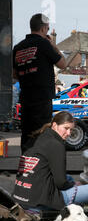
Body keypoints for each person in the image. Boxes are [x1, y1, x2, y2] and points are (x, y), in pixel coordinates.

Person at [12, 111, 88, 220]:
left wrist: (71, 182)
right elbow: (60, 183)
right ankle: (81, 205)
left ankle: (80, 201)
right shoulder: (56, 145)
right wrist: (73, 185)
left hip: (21, 197)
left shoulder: (40, 137)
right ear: (55, 125)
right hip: (39, 202)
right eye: (66, 128)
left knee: (69, 177)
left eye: (71, 129)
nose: (69, 133)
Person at [13, 13, 67, 153]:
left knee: (27, 136)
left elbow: (14, 74)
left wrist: (28, 77)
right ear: (43, 29)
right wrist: (52, 45)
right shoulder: (43, 44)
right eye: (48, 29)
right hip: (42, 98)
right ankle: (39, 171)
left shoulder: (18, 47)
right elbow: (63, 64)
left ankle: (26, 168)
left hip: (25, 98)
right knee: (41, 136)